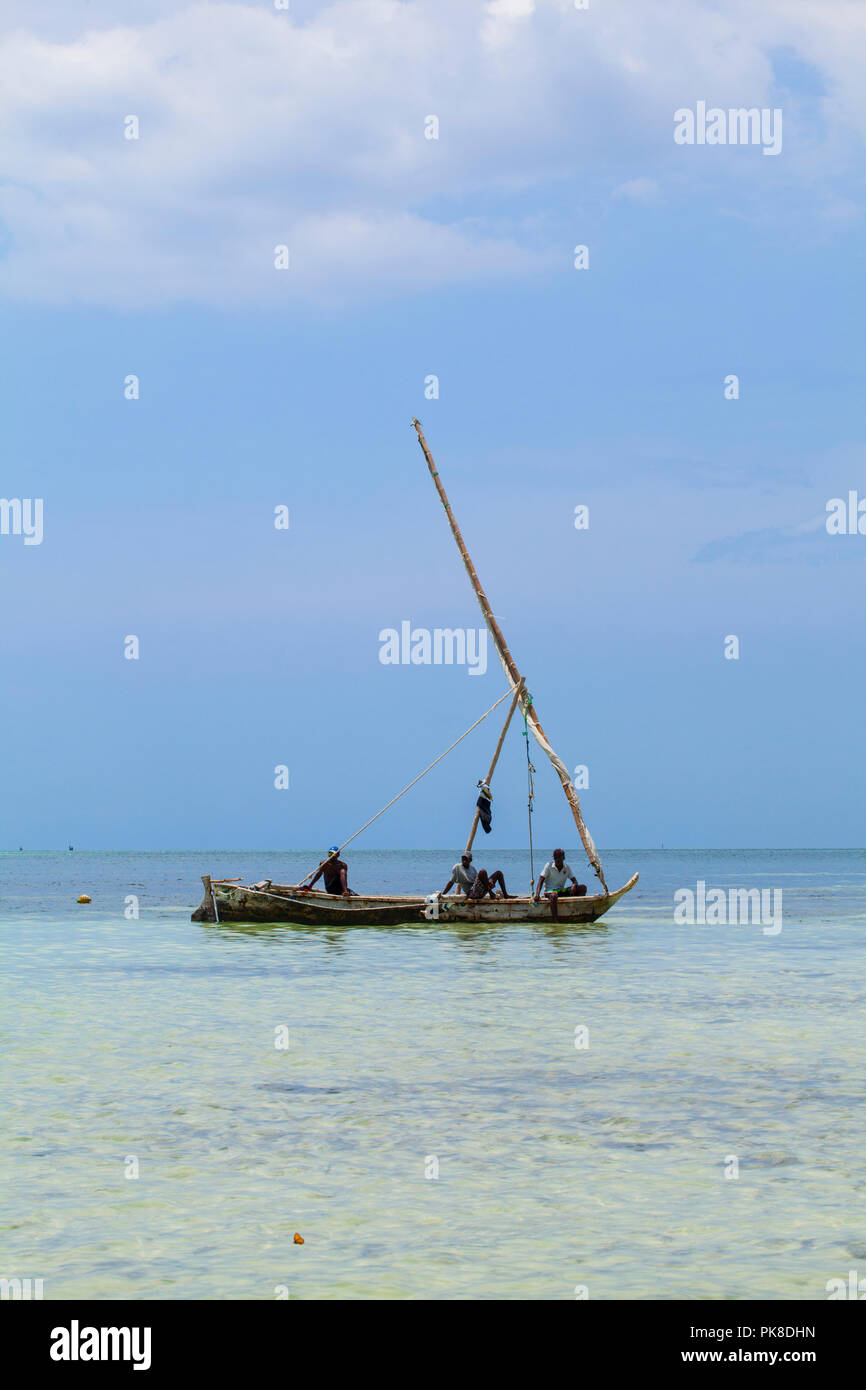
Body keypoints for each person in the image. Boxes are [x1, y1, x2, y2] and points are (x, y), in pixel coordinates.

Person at [534, 848, 586, 920]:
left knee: (583, 887)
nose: (558, 860)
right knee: (553, 895)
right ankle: (555, 919)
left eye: (560, 858)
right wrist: (537, 895)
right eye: (556, 858)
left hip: (561, 891)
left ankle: (578, 912)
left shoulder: (567, 867)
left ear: (563, 858)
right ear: (554, 858)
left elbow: (575, 880)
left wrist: (574, 885)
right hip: (549, 892)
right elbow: (540, 881)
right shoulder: (549, 866)